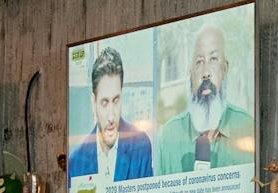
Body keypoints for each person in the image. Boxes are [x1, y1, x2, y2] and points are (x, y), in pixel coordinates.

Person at [156, 24, 254, 172]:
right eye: (199, 62)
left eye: (213, 59)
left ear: (225, 68)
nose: (206, 72)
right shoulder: (168, 137)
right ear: (190, 74)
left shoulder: (247, 127)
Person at [69, 45, 154, 183]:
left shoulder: (141, 145)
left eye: (115, 100)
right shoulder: (77, 160)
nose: (111, 117)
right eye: (104, 102)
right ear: (93, 102)